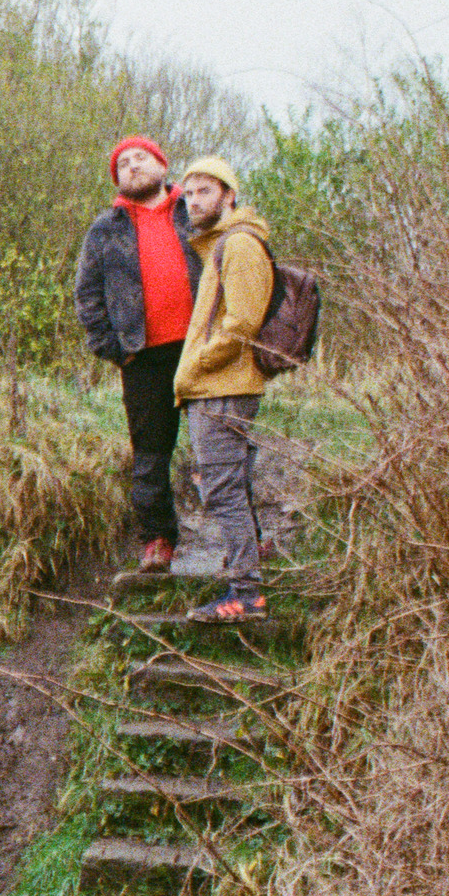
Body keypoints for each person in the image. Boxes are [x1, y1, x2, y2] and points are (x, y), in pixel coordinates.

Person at [71, 135, 198, 572]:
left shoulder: (194, 212)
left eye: (141, 157)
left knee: (222, 446)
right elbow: (87, 295)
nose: (132, 166)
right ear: (117, 180)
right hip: (143, 358)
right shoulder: (105, 229)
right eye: (123, 163)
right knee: (150, 455)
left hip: (204, 350)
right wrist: (113, 348)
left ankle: (245, 537)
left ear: (162, 164)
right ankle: (158, 540)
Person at [170, 155, 276, 624]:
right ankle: (243, 572)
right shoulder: (221, 244)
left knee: (222, 491)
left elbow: (242, 324)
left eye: (205, 192)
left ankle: (246, 594)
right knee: (227, 485)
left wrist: (197, 365)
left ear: (229, 196)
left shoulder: (240, 244)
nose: (194, 202)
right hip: (217, 386)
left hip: (222, 387)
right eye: (189, 193)